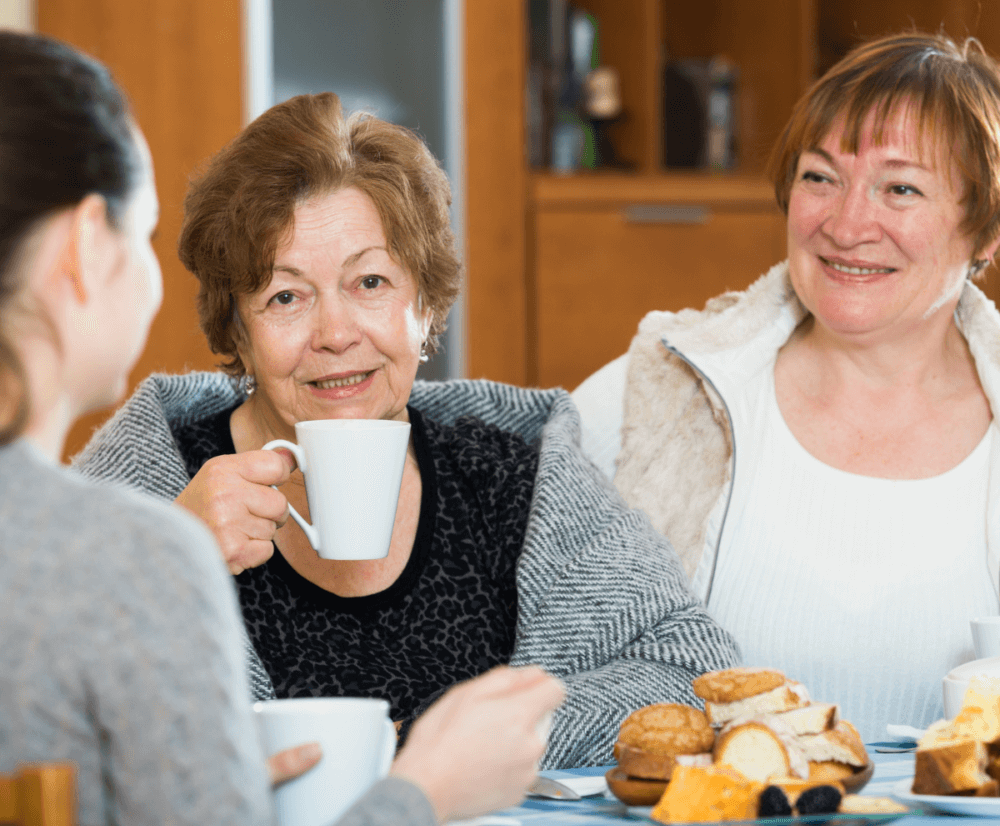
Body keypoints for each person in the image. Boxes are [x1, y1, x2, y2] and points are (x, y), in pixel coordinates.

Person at [0, 30, 568, 826]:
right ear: (85, 246)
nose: (335, 330)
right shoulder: (137, 553)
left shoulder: (515, 459)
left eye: (370, 283)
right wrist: (423, 794)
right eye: (143, 234)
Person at [73, 92, 739, 767]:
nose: (335, 334)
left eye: (370, 282)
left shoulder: (514, 475)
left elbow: (688, 673)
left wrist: (437, 756)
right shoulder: (145, 494)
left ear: (424, 304)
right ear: (237, 331)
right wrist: (156, 575)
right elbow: (36, 716)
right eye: (285, 296)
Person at [573, 31, 1000, 740]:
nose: (846, 224)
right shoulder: (657, 395)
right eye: (819, 177)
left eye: (900, 188)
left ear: (984, 231)